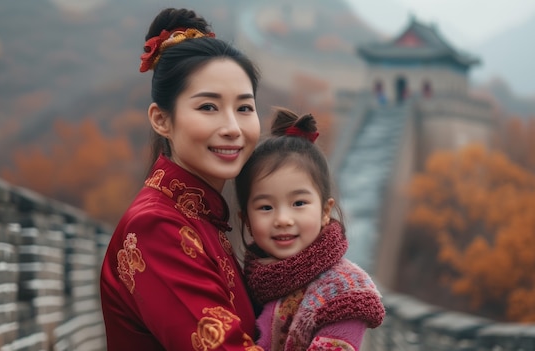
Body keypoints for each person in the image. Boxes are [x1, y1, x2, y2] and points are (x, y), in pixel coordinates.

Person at [100, 8, 265, 351]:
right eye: (208, 107)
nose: (233, 128)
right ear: (161, 119)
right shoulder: (156, 226)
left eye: (245, 108)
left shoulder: (202, 218)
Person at [235, 108, 386, 351]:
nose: (283, 219)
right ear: (246, 221)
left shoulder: (343, 293)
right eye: (265, 207)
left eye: (299, 203)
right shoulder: (245, 280)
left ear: (326, 211)